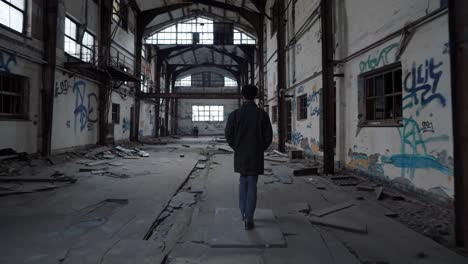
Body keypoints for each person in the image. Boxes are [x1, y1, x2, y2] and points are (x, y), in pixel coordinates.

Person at [225, 84, 273, 230]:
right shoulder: (262, 114)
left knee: (242, 182)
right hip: (255, 154)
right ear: (256, 96)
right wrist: (259, 148)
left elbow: (228, 135)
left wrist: (237, 147)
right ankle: (249, 218)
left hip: (241, 154)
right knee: (252, 183)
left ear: (243, 96)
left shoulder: (235, 114)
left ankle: (243, 214)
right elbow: (268, 136)